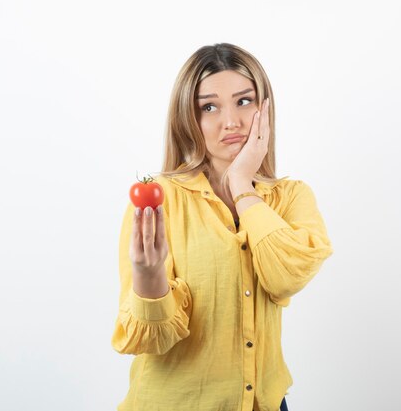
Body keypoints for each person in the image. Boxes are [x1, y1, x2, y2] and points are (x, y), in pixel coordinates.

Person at [111, 43, 334, 411]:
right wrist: (148, 277)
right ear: (187, 119)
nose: (231, 121)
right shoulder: (158, 198)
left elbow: (285, 276)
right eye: (209, 107)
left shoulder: (291, 197)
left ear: (265, 109)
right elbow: (150, 340)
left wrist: (243, 185)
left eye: (244, 101)